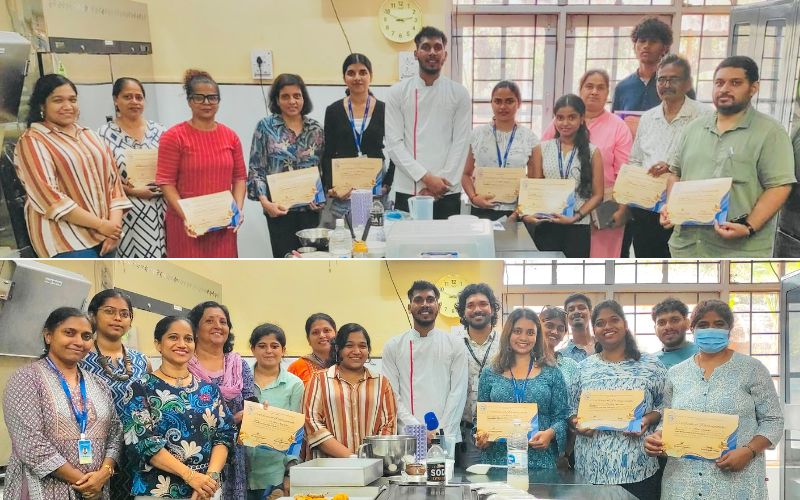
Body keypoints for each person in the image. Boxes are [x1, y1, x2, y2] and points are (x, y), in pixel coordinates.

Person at [644, 300, 784, 499]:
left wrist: (748, 451)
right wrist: (657, 438)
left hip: (736, 483)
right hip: (683, 484)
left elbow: (773, 421)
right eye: (703, 325)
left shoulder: (752, 369)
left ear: (729, 329)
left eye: (719, 324)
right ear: (692, 329)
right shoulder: (676, 373)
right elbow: (668, 419)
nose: (711, 330)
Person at [660, 56, 796, 257]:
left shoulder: (770, 132)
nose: (724, 89)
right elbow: (675, 174)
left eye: (735, 83)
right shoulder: (694, 128)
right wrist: (671, 207)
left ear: (753, 88)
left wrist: (749, 226)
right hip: (686, 248)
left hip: (738, 253)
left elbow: (779, 186)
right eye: (719, 83)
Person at [3, 307, 122, 500]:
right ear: (48, 336)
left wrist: (104, 473)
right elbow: (31, 443)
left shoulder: (98, 384)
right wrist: (86, 482)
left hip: (96, 492)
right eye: (69, 333)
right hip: (43, 490)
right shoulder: (26, 379)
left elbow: (115, 432)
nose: (78, 342)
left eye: (86, 336)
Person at [13, 74, 131, 258]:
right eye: (57, 100)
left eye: (72, 99)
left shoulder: (89, 135)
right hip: (66, 241)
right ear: (42, 105)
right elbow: (49, 198)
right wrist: (101, 225)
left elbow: (114, 184)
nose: (67, 106)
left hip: (106, 235)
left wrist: (113, 229)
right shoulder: (32, 140)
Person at [121, 315, 236, 499]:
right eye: (173, 337)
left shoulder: (210, 390)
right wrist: (191, 477)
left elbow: (225, 435)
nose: (182, 344)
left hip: (205, 492)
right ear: (158, 344)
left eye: (188, 339)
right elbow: (144, 444)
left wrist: (209, 478)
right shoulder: (141, 388)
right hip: (157, 490)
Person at [570, 300, 666, 499]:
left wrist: (647, 419)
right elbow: (569, 409)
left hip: (639, 468)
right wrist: (576, 424)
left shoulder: (651, 365)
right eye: (600, 323)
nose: (607, 326)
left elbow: (665, 405)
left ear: (625, 324)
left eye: (614, 320)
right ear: (594, 330)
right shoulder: (583, 368)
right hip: (591, 468)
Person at [626, 55, 711, 258]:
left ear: (688, 83)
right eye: (661, 79)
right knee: (645, 263)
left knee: (678, 264)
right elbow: (635, 160)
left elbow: (709, 161)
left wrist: (673, 167)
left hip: (684, 206)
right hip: (646, 207)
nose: (666, 84)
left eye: (673, 79)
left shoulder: (704, 116)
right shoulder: (648, 118)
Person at [543, 70, 633, 257]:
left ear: (608, 93)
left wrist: (623, 209)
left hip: (605, 208)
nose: (594, 92)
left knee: (597, 269)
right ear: (580, 89)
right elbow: (543, 160)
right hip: (562, 209)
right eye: (589, 86)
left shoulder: (618, 127)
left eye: (600, 88)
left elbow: (625, 175)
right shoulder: (559, 123)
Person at [156, 69, 246, 258]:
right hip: (187, 226)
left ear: (218, 101)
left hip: (223, 226)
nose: (206, 103)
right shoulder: (173, 137)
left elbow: (239, 178)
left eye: (212, 98)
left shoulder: (231, 137)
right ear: (189, 100)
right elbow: (166, 182)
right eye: (199, 97)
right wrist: (188, 216)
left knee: (225, 278)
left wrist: (237, 210)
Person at [385, 26, 471, 219]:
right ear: (416, 54)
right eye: (426, 47)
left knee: (446, 247)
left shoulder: (459, 93)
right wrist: (427, 179)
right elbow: (394, 144)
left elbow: (461, 142)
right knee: (408, 247)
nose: (432, 52)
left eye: (437, 47)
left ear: (445, 54)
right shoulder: (397, 93)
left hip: (446, 189)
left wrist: (439, 185)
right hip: (409, 187)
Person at [475, 308, 569, 470]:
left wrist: (551, 433)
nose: (523, 338)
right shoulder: (489, 373)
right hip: (497, 462)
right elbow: (479, 419)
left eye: (530, 332)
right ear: (508, 334)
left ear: (537, 336)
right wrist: (480, 436)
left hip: (540, 462)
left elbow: (561, 418)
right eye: (517, 331)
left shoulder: (552, 372)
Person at [382, 280, 468, 456]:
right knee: (411, 479)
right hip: (408, 434)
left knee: (442, 480)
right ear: (409, 307)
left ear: (439, 305)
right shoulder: (394, 345)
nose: (425, 304)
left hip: (445, 433)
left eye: (430, 299)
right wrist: (418, 431)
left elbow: (458, 392)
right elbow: (391, 394)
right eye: (418, 300)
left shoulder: (455, 344)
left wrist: (439, 432)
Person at [81, 289, 151, 500]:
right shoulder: (79, 357)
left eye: (124, 313)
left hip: (135, 452)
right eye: (109, 311)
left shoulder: (141, 360)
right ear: (92, 316)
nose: (118, 318)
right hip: (95, 452)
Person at [247, 73, 325, 258]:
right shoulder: (265, 127)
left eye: (297, 96)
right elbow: (256, 169)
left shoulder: (316, 129)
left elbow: (323, 169)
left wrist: (321, 200)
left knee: (313, 263)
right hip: (279, 212)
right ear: (277, 100)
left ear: (304, 98)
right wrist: (266, 203)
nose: (292, 101)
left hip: (310, 212)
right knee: (285, 263)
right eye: (285, 96)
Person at [520, 94, 603, 257]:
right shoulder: (542, 148)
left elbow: (598, 195)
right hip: (547, 223)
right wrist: (527, 213)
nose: (565, 123)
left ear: (581, 119)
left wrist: (575, 217)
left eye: (571, 117)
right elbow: (534, 186)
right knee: (544, 274)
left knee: (575, 276)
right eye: (560, 118)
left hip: (578, 226)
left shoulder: (593, 151)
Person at [187, 301, 254, 500]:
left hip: (233, 456)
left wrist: (259, 414)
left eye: (223, 322)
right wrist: (231, 419)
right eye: (209, 320)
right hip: (194, 453)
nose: (218, 325)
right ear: (195, 329)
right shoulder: (184, 364)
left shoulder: (240, 365)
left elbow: (252, 407)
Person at [97, 77, 167, 258]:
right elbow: (102, 179)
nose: (134, 102)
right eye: (127, 97)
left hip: (161, 207)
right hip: (125, 210)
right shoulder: (102, 135)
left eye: (139, 97)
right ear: (115, 100)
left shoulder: (160, 131)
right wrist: (134, 191)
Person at [305, 323, 397, 458]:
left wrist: (369, 460)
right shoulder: (319, 380)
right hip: (327, 469)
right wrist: (351, 457)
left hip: (371, 467)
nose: (357, 351)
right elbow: (312, 424)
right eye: (349, 346)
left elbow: (388, 425)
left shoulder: (382, 383)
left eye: (362, 346)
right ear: (338, 349)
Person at [321, 54, 386, 223]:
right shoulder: (333, 110)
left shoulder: (384, 109)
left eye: (363, 72)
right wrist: (331, 186)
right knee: (345, 241)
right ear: (344, 78)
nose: (357, 77)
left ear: (371, 76)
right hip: (344, 191)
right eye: (351, 73)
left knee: (374, 239)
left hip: (375, 188)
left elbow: (396, 148)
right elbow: (327, 152)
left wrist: (388, 183)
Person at [461, 81, 539, 220]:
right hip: (481, 210)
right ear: (491, 103)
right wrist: (473, 198)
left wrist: (517, 213)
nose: (503, 106)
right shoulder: (477, 135)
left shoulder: (530, 138)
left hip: (516, 212)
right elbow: (465, 174)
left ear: (519, 103)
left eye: (509, 101)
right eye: (498, 101)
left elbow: (534, 182)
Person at [247, 323, 304, 500]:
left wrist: (289, 474)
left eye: (275, 346)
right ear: (252, 349)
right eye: (262, 346)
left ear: (283, 350)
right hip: (240, 472)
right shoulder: (240, 380)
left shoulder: (294, 384)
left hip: (275, 475)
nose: (268, 351)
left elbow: (296, 434)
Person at [454, 283, 501, 468]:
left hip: (497, 431)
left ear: (492, 308)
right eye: (470, 305)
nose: (477, 309)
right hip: (462, 431)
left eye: (483, 303)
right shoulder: (454, 345)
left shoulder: (506, 343)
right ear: (463, 312)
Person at [612, 17, 673, 138]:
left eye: (653, 41)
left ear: (665, 48)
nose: (646, 46)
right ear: (634, 46)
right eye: (642, 41)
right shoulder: (622, 88)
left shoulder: (676, 86)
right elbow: (614, 126)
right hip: (628, 153)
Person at [287, 312, 337, 386]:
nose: (322, 335)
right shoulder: (297, 367)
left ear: (336, 334)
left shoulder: (346, 363)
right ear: (308, 340)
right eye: (315, 332)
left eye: (326, 330)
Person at [650, 297, 697, 369]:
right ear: (655, 329)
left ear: (687, 323)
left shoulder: (703, 354)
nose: (668, 327)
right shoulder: (651, 363)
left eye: (675, 320)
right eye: (661, 322)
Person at [539, 306, 579, 388]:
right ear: (538, 327)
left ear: (564, 333)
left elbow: (576, 398)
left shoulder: (571, 366)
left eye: (560, 329)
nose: (555, 332)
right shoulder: (526, 362)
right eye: (549, 326)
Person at [558, 293, 594, 363]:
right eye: (571, 310)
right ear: (566, 317)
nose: (576, 312)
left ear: (590, 312)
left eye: (581, 308)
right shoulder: (561, 356)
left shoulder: (605, 348)